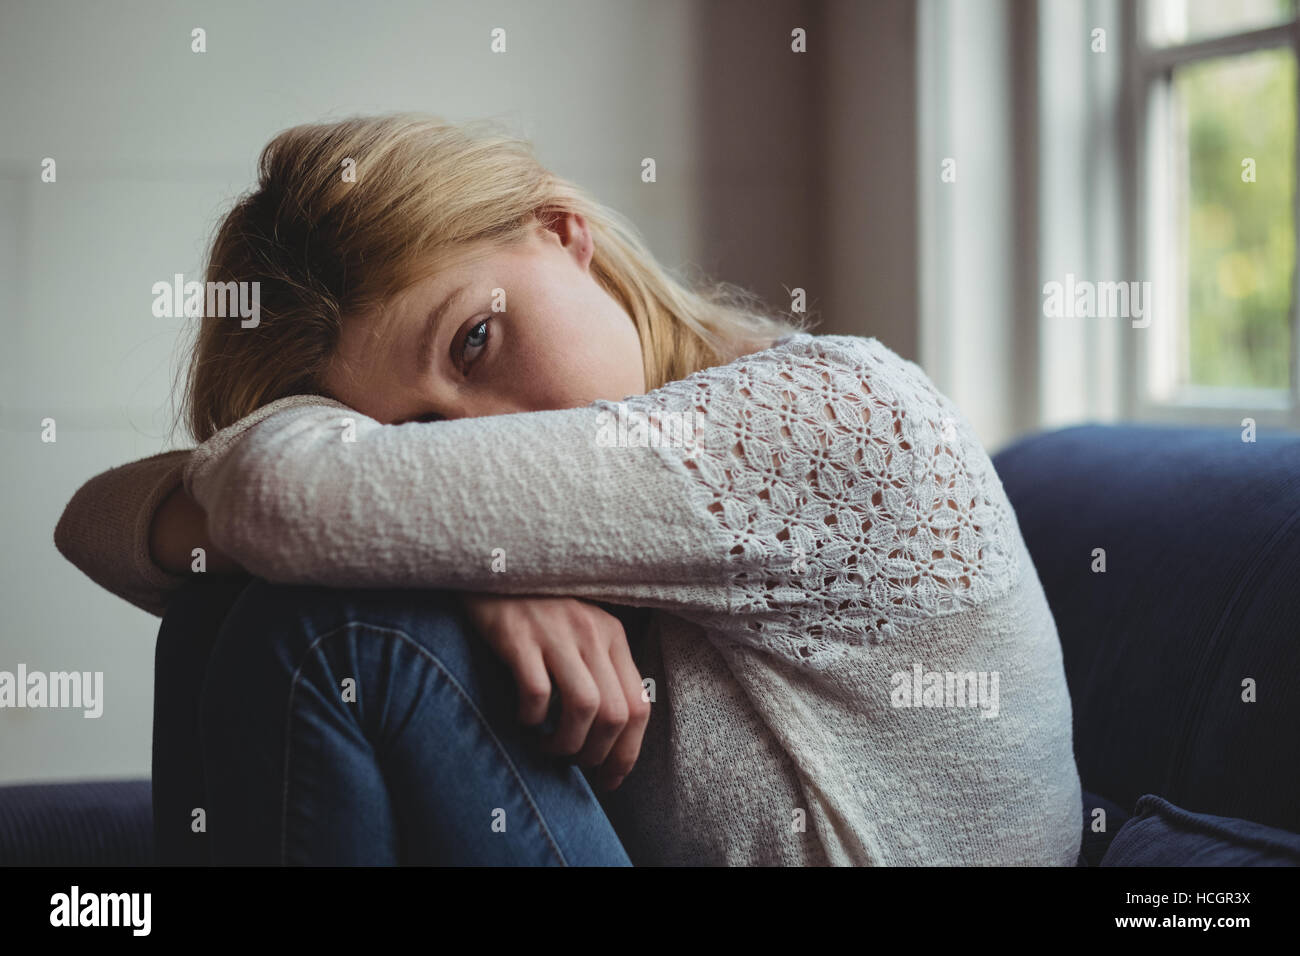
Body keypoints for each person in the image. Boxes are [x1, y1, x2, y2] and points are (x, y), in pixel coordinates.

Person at [55, 113, 1083, 866]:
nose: (481, 443)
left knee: (332, 639)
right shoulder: (570, 481)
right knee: (220, 615)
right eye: (405, 439)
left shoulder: (835, 412)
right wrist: (470, 557)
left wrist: (424, 533)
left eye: (475, 338)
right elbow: (90, 521)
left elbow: (281, 501)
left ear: (559, 231)